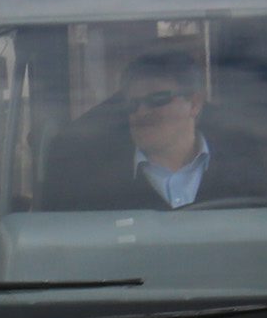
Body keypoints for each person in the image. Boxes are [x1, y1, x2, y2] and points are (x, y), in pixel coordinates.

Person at [44, 48, 238, 211]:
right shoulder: (93, 186)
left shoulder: (241, 168)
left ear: (194, 104)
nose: (142, 112)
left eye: (157, 99)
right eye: (133, 105)